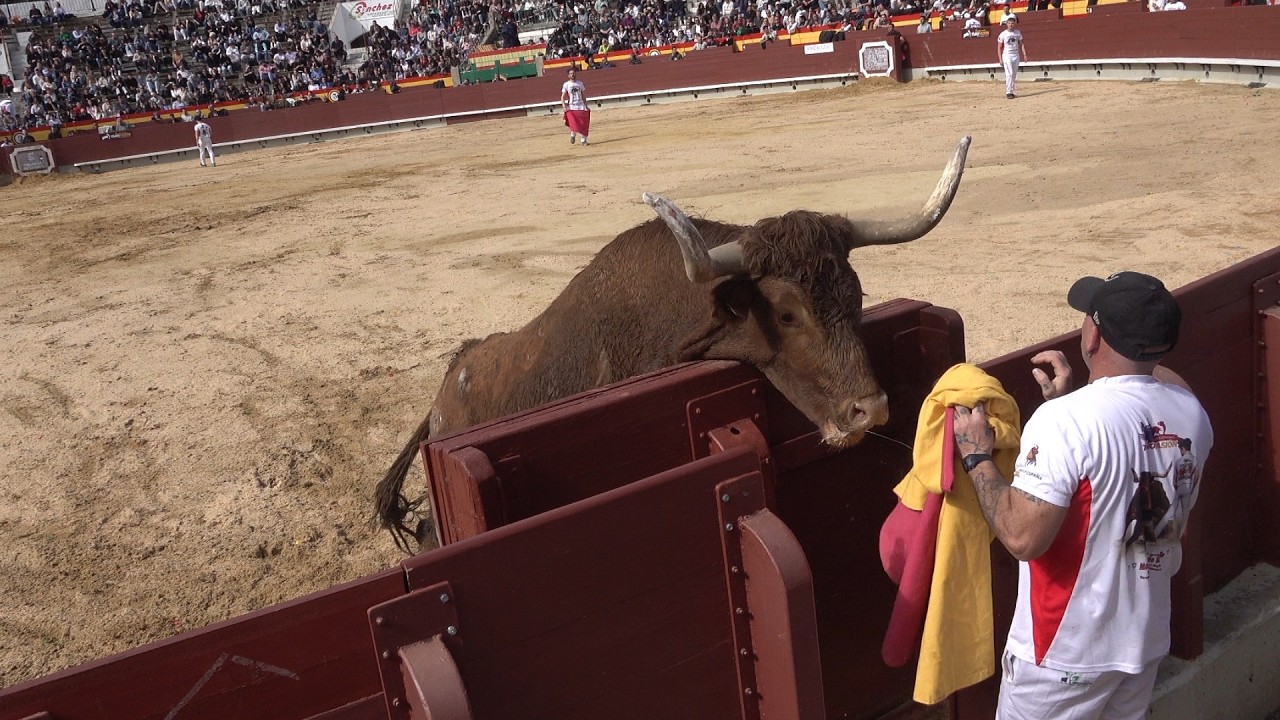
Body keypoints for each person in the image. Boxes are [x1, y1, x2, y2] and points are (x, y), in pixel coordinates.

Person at [951, 271, 1213, 720]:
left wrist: (977, 458)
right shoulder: (1191, 412)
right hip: (1142, 643)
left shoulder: (1065, 422)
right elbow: (1132, 424)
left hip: (1065, 654)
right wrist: (1072, 399)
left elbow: (1021, 537)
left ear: (1092, 335)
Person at [996, 15, 1026, 99]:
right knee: (1010, 73)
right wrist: (1000, 59)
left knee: (1014, 74)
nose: (1011, 25)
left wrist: (1024, 55)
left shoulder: (1017, 33)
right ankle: (1008, 92)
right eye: (1009, 23)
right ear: (1006, 24)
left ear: (1015, 24)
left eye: (1012, 23)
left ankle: (1011, 91)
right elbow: (999, 47)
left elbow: (1022, 44)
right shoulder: (1003, 34)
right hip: (1007, 55)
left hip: (1016, 55)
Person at [560, 67, 590, 147]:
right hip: (572, 107)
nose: (573, 75)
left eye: (574, 73)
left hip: (581, 106)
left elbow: (583, 96)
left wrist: (586, 106)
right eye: (571, 73)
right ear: (568, 75)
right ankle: (573, 134)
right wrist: (564, 106)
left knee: (584, 123)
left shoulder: (580, 83)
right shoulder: (566, 84)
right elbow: (562, 96)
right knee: (574, 123)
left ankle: (583, 140)